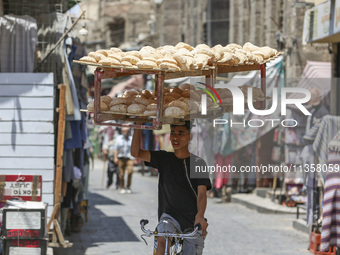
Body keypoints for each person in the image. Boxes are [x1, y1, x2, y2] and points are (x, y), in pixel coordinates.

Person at [131, 121, 211, 255]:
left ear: (190, 137)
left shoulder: (198, 163)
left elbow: (202, 194)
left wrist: (200, 217)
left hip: (192, 220)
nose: (175, 137)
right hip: (168, 217)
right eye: (172, 133)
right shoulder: (163, 158)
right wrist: (138, 126)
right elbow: (135, 152)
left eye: (181, 133)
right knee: (162, 238)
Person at [114, 127, 134, 194]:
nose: (126, 131)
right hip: (121, 158)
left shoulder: (131, 139)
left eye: (127, 130)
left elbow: (134, 149)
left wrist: (136, 158)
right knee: (121, 174)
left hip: (129, 158)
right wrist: (115, 157)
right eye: (124, 130)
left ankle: (128, 186)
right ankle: (122, 187)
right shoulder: (118, 138)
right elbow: (115, 149)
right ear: (122, 131)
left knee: (130, 171)